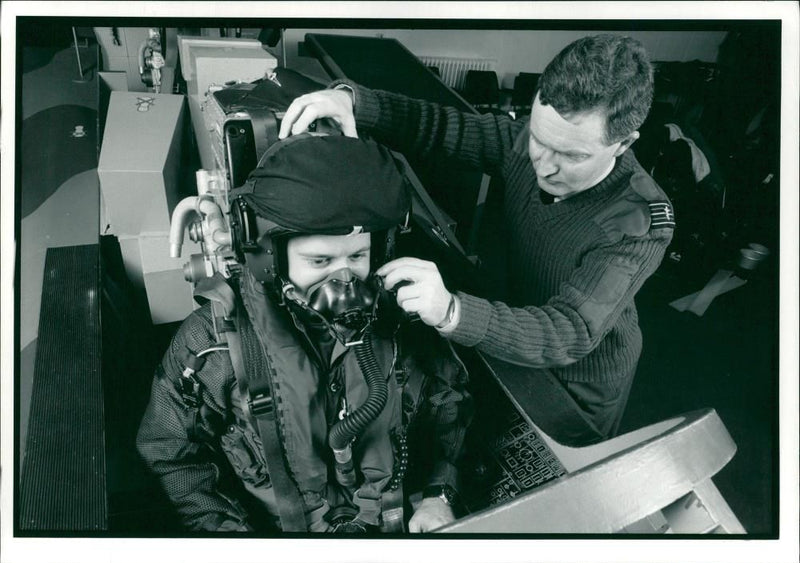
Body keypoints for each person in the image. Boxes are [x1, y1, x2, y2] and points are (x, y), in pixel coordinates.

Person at [278, 34, 675, 445]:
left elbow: (568, 330)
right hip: (507, 322)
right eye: (539, 138)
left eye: (571, 156)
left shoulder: (640, 222)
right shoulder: (530, 141)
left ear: (624, 144)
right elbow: (440, 127)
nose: (544, 163)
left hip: (573, 386)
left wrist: (452, 312)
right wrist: (352, 102)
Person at [136, 133, 472, 533]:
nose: (344, 278)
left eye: (357, 256)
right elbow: (169, 450)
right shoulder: (215, 342)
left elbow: (450, 409)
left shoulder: (407, 319)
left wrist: (439, 496)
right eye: (320, 260)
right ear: (271, 260)